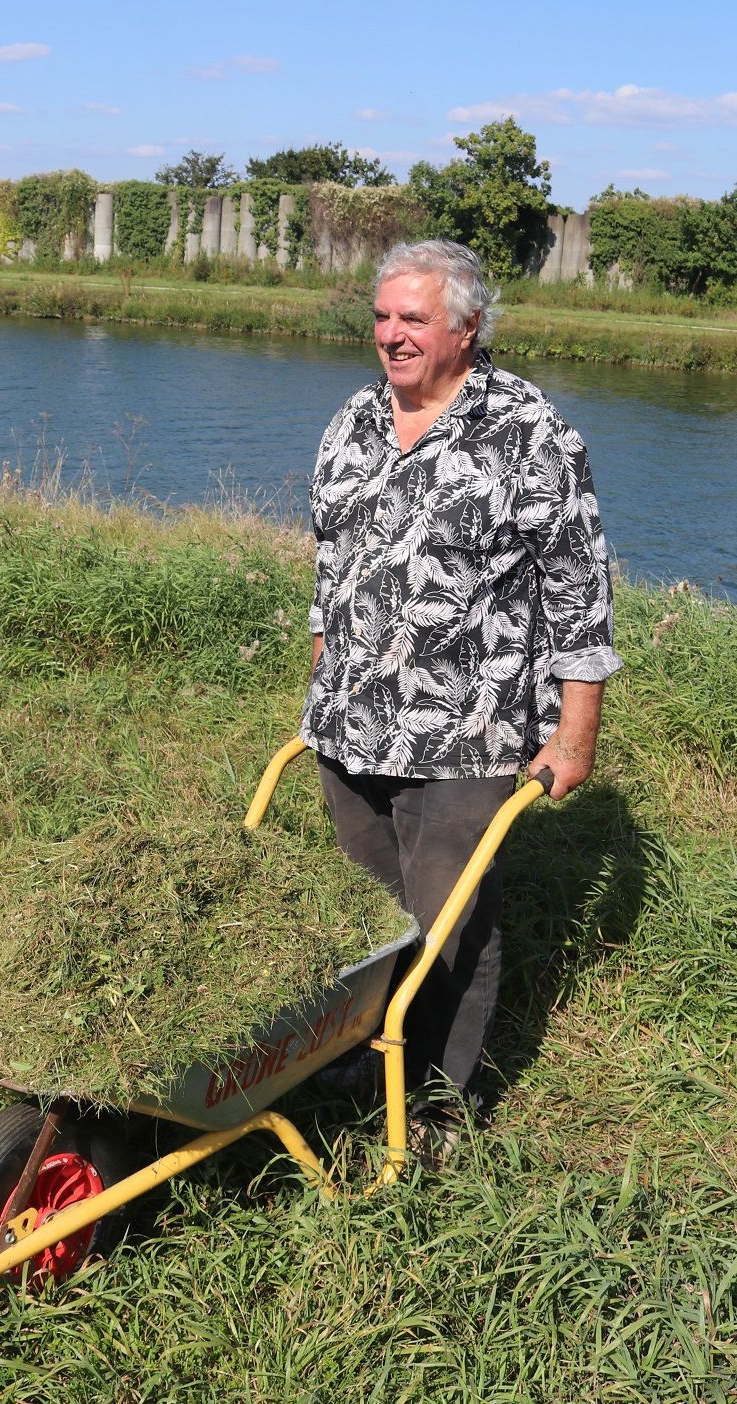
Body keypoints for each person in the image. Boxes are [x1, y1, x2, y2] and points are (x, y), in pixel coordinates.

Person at [301, 239, 622, 1141]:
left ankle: (445, 1107)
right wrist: (323, 658)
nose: (392, 336)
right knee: (368, 916)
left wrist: (575, 731)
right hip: (349, 724)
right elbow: (332, 558)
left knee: (450, 921)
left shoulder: (530, 433)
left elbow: (578, 589)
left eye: (415, 319)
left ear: (468, 328)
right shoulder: (353, 421)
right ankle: (371, 1068)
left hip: (465, 734)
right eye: (382, 316)